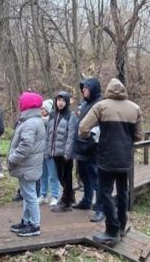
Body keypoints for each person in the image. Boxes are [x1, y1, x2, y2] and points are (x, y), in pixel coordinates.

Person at [79, 78, 143, 246]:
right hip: (125, 158)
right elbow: (139, 136)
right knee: (122, 191)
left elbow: (83, 128)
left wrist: (89, 137)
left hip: (106, 157)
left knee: (105, 192)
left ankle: (112, 230)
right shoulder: (134, 108)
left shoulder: (101, 106)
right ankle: (122, 225)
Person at [7, 92, 46, 237]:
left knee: (29, 195)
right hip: (29, 166)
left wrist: (13, 158)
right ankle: (26, 220)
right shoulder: (34, 120)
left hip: (27, 166)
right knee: (27, 194)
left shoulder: (30, 123)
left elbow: (25, 146)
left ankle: (35, 225)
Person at [72, 77, 104, 222]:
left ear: (92, 89)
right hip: (81, 146)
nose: (83, 90)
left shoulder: (100, 104)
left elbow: (99, 127)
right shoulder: (85, 104)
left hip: (93, 147)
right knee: (84, 176)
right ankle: (86, 200)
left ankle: (100, 207)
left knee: (96, 178)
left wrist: (92, 138)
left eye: (85, 88)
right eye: (83, 88)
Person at [48, 92, 78, 212]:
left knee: (67, 176)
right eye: (58, 100)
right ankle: (70, 195)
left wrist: (67, 153)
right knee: (60, 176)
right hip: (55, 152)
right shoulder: (52, 115)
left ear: (67, 102)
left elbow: (71, 136)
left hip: (65, 153)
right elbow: (49, 134)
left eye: (63, 100)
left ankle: (66, 202)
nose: (60, 103)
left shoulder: (71, 116)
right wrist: (48, 150)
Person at [39, 99, 61, 205]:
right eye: (41, 108)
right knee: (43, 175)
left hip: (51, 152)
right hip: (41, 152)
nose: (41, 110)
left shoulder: (53, 121)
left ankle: (55, 196)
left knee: (53, 175)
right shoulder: (38, 121)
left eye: (43, 108)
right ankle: (43, 195)